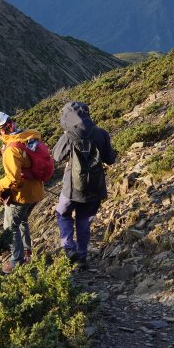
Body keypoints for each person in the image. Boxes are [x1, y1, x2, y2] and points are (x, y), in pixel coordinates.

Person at [51, 101, 116, 266]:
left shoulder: (68, 135)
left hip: (71, 187)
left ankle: (68, 247)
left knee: (62, 213)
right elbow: (110, 159)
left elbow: (57, 156)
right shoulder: (101, 133)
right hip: (95, 185)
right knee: (84, 220)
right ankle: (82, 256)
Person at [0, 111, 47, 274]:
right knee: (22, 221)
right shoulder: (27, 137)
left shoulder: (11, 149)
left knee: (9, 227)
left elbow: (13, 178)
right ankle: (27, 253)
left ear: (1, 130)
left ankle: (16, 261)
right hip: (36, 191)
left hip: (23, 195)